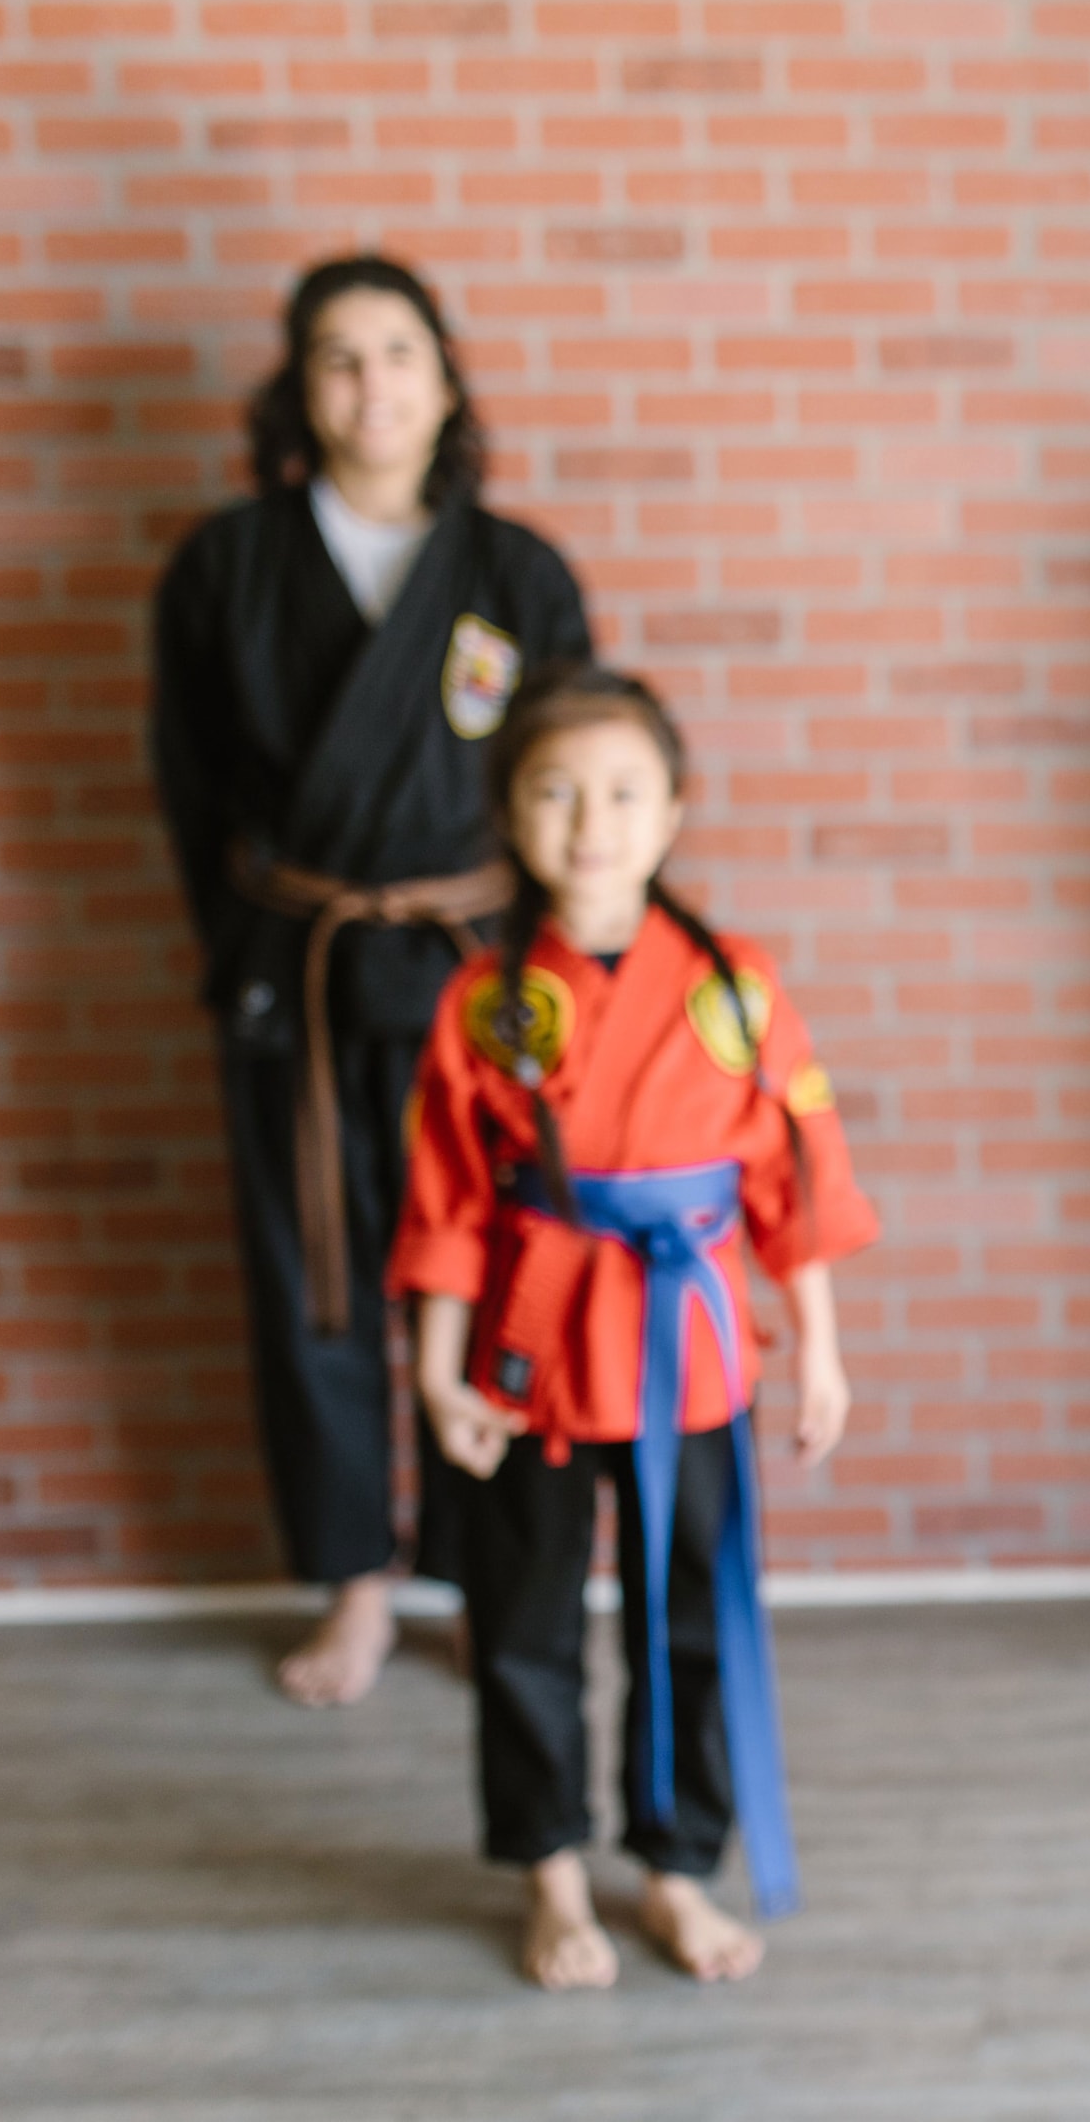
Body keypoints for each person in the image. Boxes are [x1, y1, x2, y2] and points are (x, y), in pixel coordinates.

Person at [388, 661, 878, 1991]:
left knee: (691, 1620)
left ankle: (674, 1866)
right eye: (554, 791)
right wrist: (439, 1371)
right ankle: (550, 1871)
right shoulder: (484, 1005)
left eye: (621, 792)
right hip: (535, 1347)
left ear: (673, 813)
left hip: (693, 1347)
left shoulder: (736, 984)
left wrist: (817, 1344)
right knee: (526, 1618)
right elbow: (444, 1194)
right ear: (510, 812)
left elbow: (795, 1177)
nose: (589, 822)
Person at [151, 256, 594, 1706]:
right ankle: (353, 1585)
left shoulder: (515, 574)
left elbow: (570, 785)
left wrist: (564, 979)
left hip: (476, 981)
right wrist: (247, 964)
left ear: (446, 378)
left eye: (398, 352)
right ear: (299, 391)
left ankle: (472, 1579)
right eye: (338, 359)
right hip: (305, 975)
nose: (371, 385)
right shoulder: (224, 568)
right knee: (314, 1288)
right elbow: (190, 789)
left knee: (495, 1274)